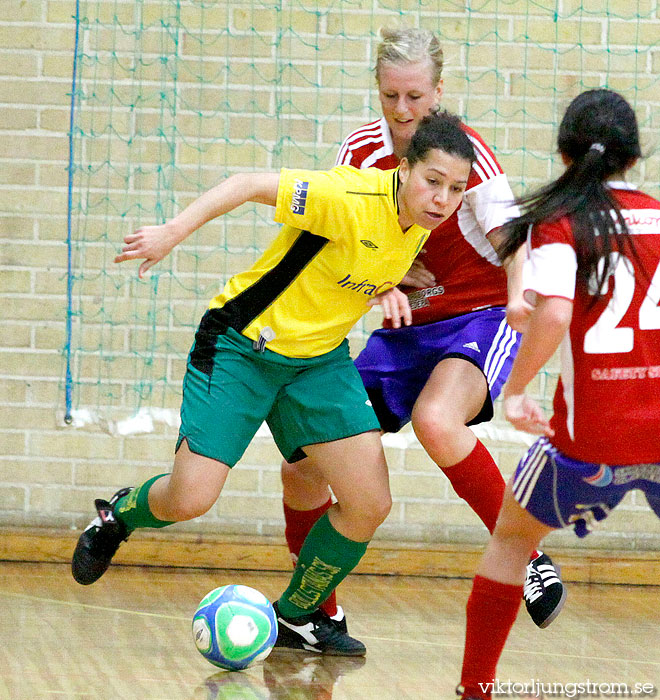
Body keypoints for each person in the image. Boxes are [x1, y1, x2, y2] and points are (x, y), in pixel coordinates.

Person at [70, 110, 476, 657]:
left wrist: (389, 287)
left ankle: (297, 615)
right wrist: (170, 233)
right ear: (404, 169)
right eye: (433, 181)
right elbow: (244, 186)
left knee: (368, 502)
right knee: (190, 498)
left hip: (317, 363)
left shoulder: (419, 225)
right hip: (243, 345)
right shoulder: (344, 196)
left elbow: (353, 262)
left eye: (456, 188)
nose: (442, 198)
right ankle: (119, 516)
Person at [280, 26, 565, 640]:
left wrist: (520, 298)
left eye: (416, 97)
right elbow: (338, 235)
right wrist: (380, 279)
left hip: (479, 317)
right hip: (405, 327)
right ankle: (313, 615)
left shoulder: (467, 154)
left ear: (439, 90)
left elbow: (515, 244)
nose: (404, 112)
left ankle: (527, 556)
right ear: (377, 93)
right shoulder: (359, 151)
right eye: (391, 97)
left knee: (438, 420)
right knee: (302, 462)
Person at [457, 88, 660, 699]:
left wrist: (516, 389)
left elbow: (556, 315)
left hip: (588, 439)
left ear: (563, 150)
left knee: (512, 542)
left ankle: (475, 691)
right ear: (632, 157)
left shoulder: (560, 221)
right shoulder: (656, 215)